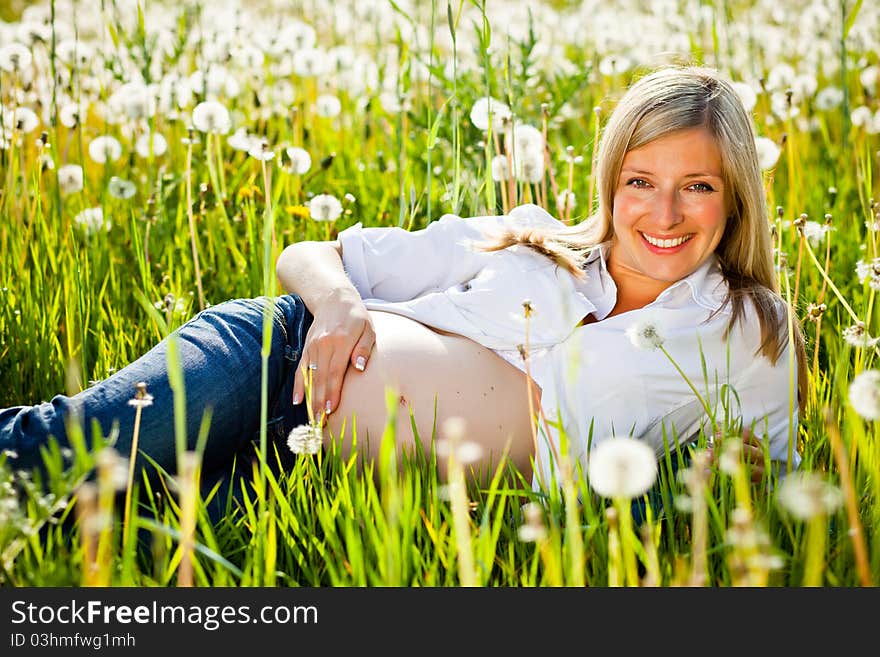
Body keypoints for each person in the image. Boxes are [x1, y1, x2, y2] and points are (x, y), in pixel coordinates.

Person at [0, 65, 807, 522]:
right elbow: (310, 253)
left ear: (735, 193)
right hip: (268, 362)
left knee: (98, 524)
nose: (662, 214)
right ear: (610, 179)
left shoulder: (750, 328)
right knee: (49, 456)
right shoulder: (529, 235)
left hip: (317, 481)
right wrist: (340, 307)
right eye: (640, 181)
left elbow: (770, 476)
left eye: (695, 185)